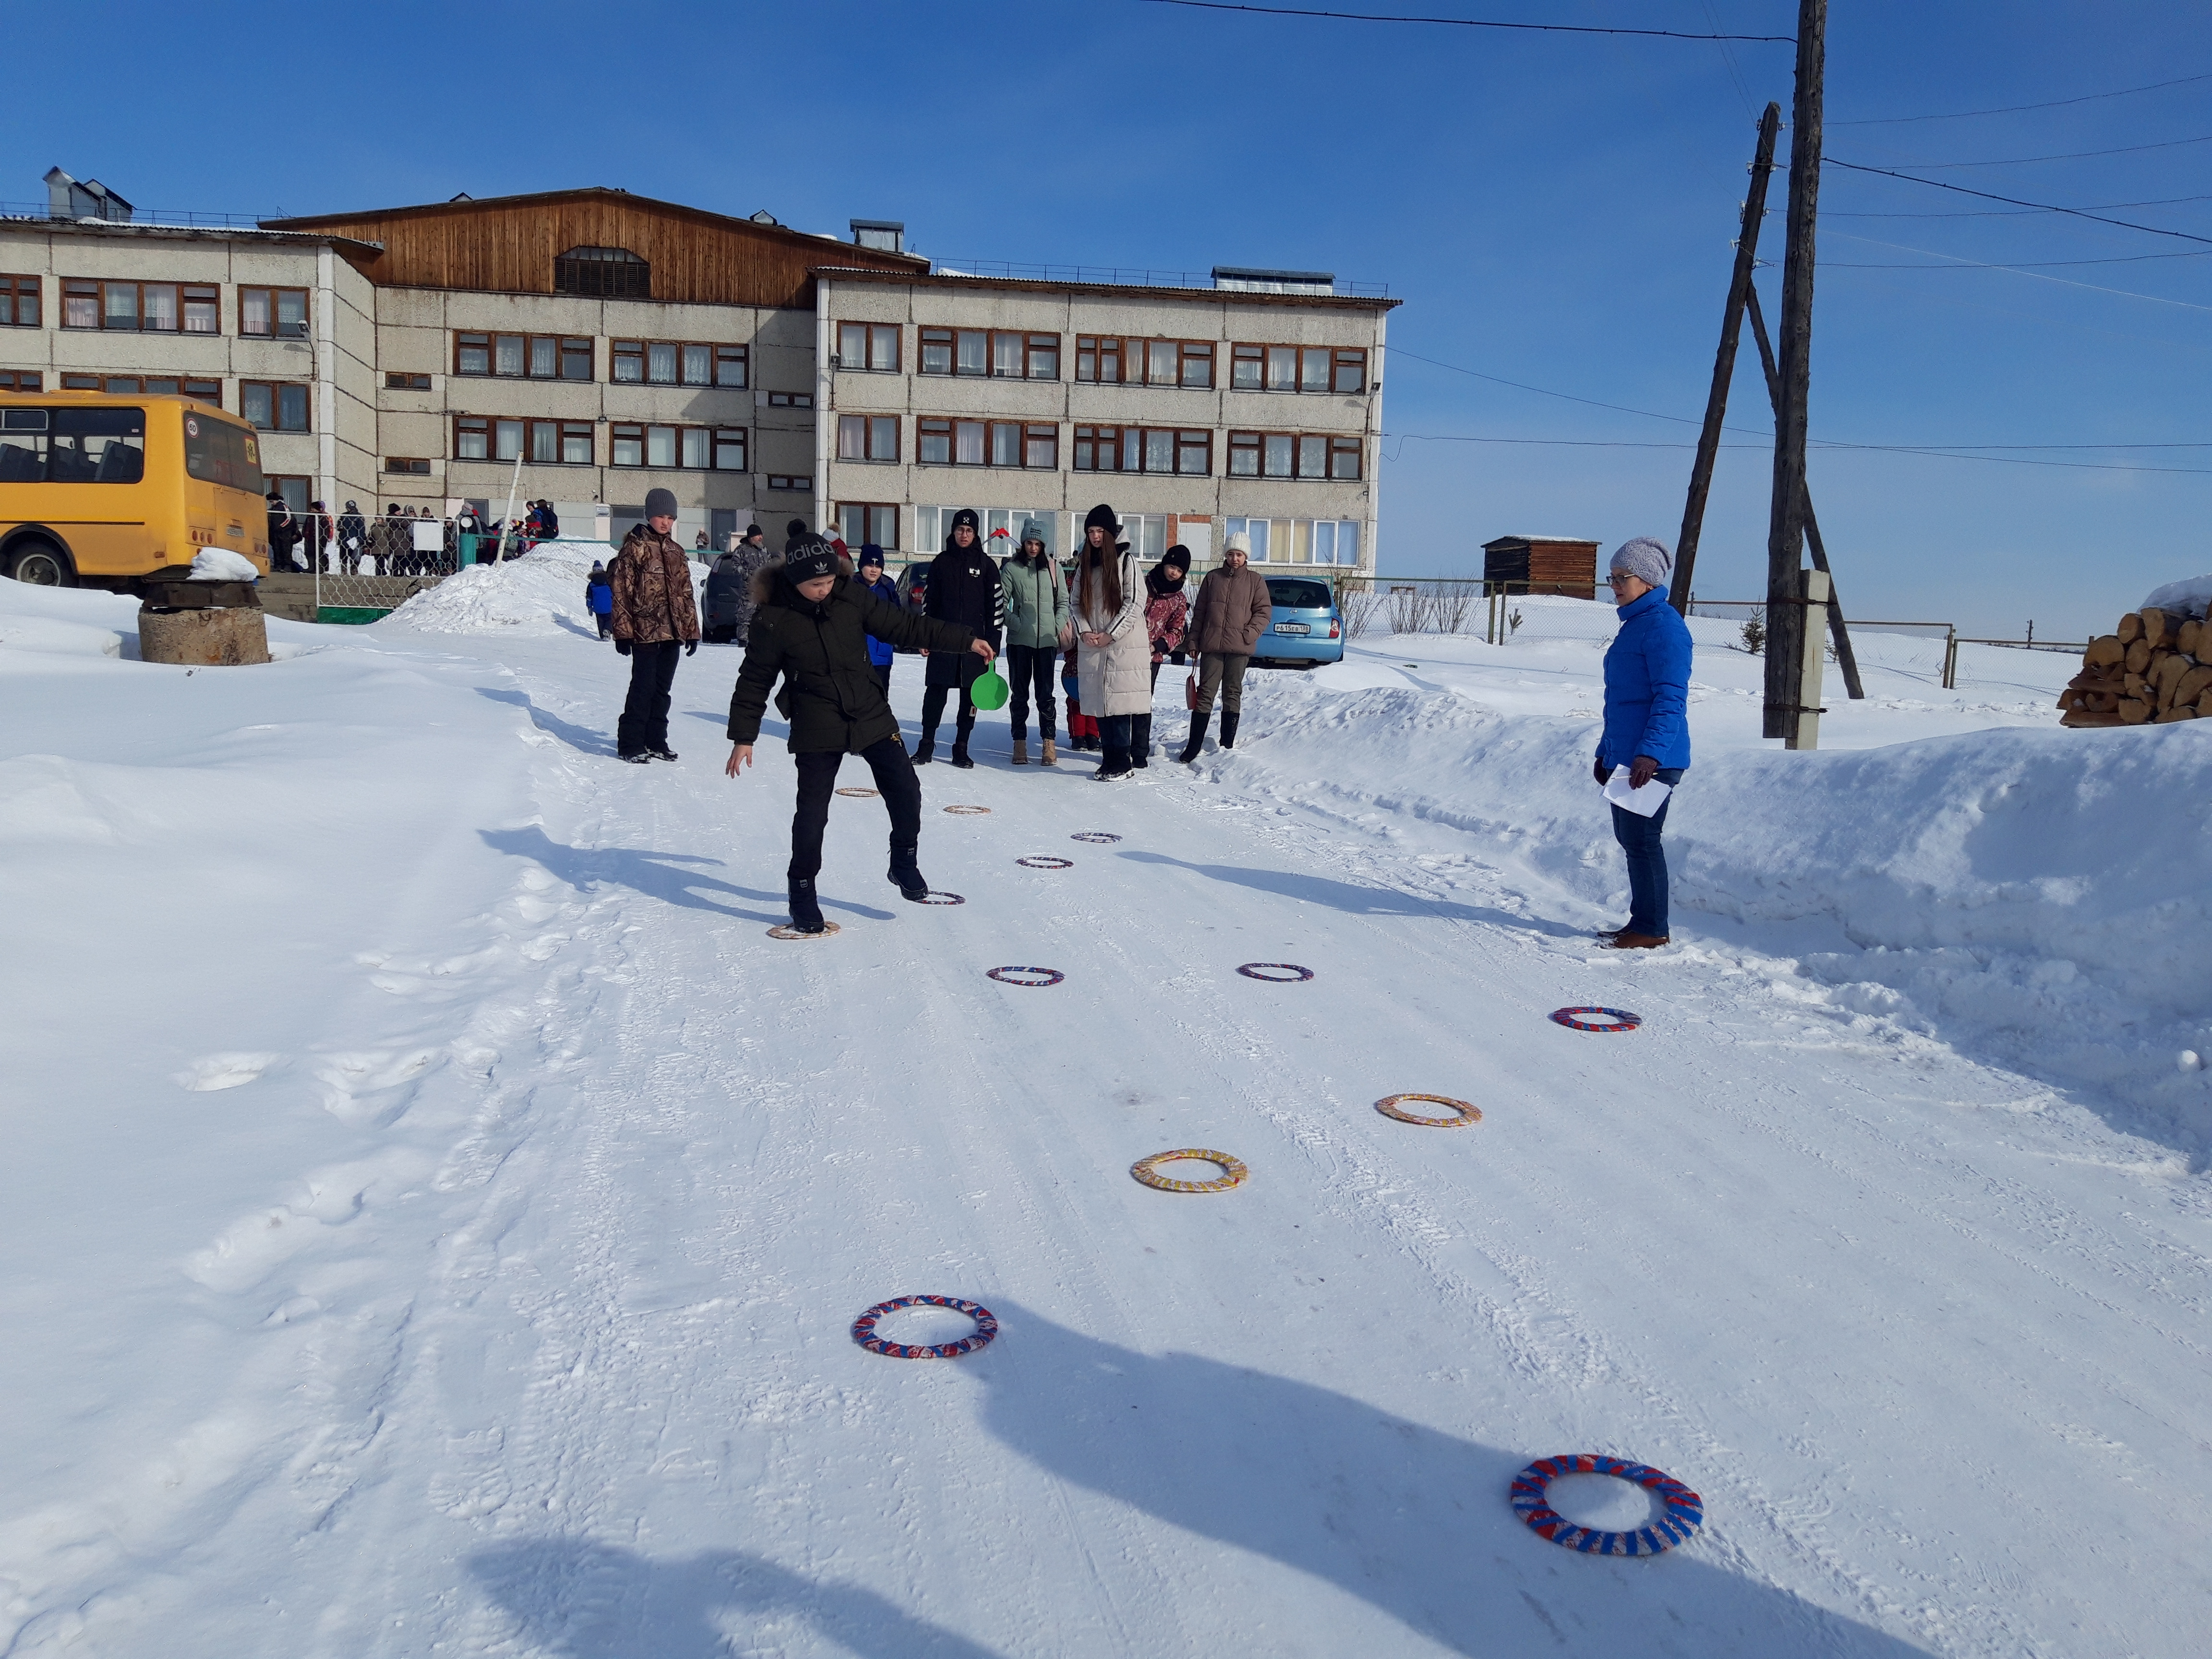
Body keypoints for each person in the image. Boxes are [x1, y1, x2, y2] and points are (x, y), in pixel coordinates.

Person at [726, 533, 996, 934]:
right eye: (815, 585)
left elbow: (904, 626)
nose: (824, 590)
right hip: (816, 718)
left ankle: (903, 860)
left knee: (905, 786)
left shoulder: (850, 596)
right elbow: (754, 680)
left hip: (869, 710)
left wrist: (966, 640)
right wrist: (744, 736)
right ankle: (802, 890)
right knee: (813, 813)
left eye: (829, 582)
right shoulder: (774, 618)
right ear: (795, 581)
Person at [1593, 536, 1692, 949]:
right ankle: (1643, 922)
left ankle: (1652, 928)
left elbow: (1670, 697)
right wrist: (1607, 751)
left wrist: (1649, 752)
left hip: (1655, 757)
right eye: (1611, 577)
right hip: (1630, 756)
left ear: (1648, 581)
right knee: (1633, 840)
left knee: (1643, 841)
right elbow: (1622, 699)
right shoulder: (1636, 625)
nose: (1614, 585)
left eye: (1622, 577)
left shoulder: (1665, 627)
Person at [608, 487, 701, 763]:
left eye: (671, 518)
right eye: (661, 516)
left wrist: (692, 631)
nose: (666, 522)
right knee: (643, 688)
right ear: (650, 515)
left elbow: (686, 593)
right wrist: (623, 634)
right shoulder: (634, 548)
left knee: (662, 691)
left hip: (672, 633)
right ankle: (630, 744)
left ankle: (656, 741)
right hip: (645, 633)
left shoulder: (676, 551)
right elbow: (621, 592)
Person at [915, 507, 1004, 768]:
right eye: (959, 530)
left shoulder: (987, 566)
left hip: (976, 647)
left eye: (969, 531)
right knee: (935, 695)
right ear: (953, 532)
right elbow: (927, 604)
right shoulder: (941, 563)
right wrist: (925, 637)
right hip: (943, 642)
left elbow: (996, 610)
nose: (964, 535)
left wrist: (994, 645)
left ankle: (961, 747)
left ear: (975, 534)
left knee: (970, 698)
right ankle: (926, 744)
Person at [1071, 504, 1150, 780]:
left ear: (1109, 532)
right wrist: (1084, 632)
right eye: (1090, 531)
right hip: (1093, 645)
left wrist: (1110, 633)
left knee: (1118, 706)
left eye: (1099, 531)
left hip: (1122, 646)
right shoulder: (1085, 564)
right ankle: (1109, 760)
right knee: (1100, 705)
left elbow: (1135, 602)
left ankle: (1123, 761)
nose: (1095, 536)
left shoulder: (1126, 562)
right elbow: (1075, 603)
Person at [1179, 530, 1271, 763]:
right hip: (1212, 646)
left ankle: (1226, 746)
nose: (1235, 558)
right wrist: (1193, 641)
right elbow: (1200, 613)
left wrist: (1248, 634)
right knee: (1205, 694)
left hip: (1239, 649)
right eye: (1231, 554)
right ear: (1225, 555)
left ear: (1246, 557)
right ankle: (1193, 746)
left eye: (1239, 554)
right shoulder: (1212, 578)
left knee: (1232, 693)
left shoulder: (1255, 581)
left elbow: (1264, 612)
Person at [999, 519, 1069, 766]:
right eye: (1029, 542)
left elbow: (1063, 603)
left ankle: (1048, 742)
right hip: (1020, 642)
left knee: (1046, 695)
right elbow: (1000, 602)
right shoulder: (1012, 569)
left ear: (1044, 545)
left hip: (1047, 642)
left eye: (1038, 543)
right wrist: (1016, 623)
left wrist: (1055, 626)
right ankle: (1019, 742)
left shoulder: (1053, 568)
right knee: (1020, 694)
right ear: (1023, 542)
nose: (1033, 547)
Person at [1142, 544, 1192, 760]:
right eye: (1171, 566)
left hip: (1152, 656)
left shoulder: (1179, 599)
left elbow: (1177, 631)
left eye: (1180, 570)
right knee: (1121, 700)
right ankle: (1118, 744)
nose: (1174, 573)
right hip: (1126, 651)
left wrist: (1158, 646)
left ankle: (1140, 748)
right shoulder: (1143, 584)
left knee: (1143, 702)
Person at [856, 544, 899, 696]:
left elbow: (898, 618)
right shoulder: (850, 586)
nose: (874, 570)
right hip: (855, 657)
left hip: (882, 657)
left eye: (878, 566)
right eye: (869, 565)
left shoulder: (888, 588)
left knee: (879, 702)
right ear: (861, 566)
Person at [702, 544, 748, 643]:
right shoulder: (763, 560)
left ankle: (713, 636)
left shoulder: (723, 565)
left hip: (724, 603)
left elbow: (712, 583)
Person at [1062, 644, 1099, 750]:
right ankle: (1078, 736)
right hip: (1075, 657)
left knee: (1095, 699)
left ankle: (1093, 735)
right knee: (1075, 699)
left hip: (1096, 656)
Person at [264, 489, 297, 573]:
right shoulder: (272, 509)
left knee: (286, 549)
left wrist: (281, 526)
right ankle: (278, 565)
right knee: (277, 549)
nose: (271, 503)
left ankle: (287, 566)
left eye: (272, 501)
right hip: (275, 533)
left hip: (285, 533)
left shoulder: (284, 507)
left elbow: (289, 518)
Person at [336, 501, 367, 575]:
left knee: (354, 557)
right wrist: (340, 527)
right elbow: (339, 526)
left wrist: (360, 540)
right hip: (344, 540)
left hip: (354, 540)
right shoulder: (344, 516)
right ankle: (344, 569)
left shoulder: (359, 517)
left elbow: (361, 529)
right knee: (343, 557)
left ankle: (354, 569)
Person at [586, 560, 615, 638]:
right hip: (609, 605)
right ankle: (608, 630)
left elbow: (589, 597)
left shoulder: (591, 584)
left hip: (597, 607)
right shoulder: (608, 581)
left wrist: (589, 607)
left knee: (600, 621)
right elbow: (614, 591)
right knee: (611, 620)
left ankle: (603, 636)